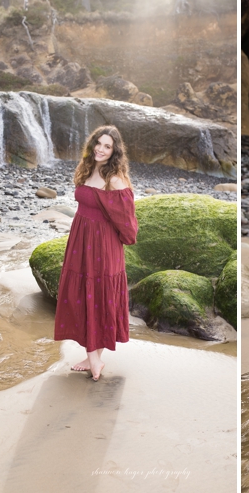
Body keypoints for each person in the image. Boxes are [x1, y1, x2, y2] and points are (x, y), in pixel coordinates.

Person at [53, 125, 139, 382]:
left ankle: (93, 358)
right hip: (80, 240)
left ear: (115, 151)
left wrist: (120, 240)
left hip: (103, 244)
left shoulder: (115, 179)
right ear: (92, 145)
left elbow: (127, 219)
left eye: (107, 146)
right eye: (98, 144)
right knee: (83, 293)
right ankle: (93, 356)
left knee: (99, 293)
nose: (101, 149)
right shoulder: (87, 168)